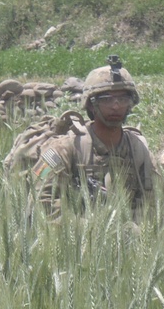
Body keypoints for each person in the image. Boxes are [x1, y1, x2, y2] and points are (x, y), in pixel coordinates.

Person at [33, 56, 157, 219]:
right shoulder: (63, 149)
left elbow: (153, 208)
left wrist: (129, 232)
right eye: (107, 100)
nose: (116, 106)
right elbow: (43, 203)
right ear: (91, 104)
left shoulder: (140, 151)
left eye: (123, 99)